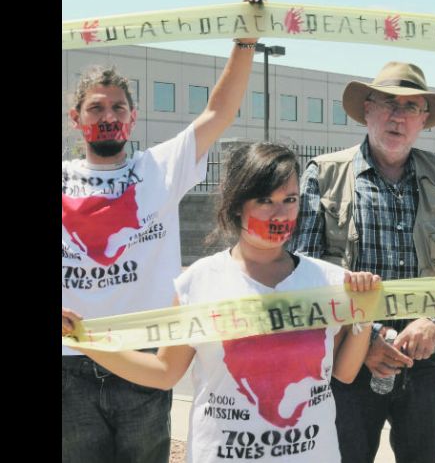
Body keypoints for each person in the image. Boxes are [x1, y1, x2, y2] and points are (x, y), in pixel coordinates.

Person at [62, 143, 381, 463]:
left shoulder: (327, 281)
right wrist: (86, 342)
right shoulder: (200, 281)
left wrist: (362, 316)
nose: (280, 213)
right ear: (237, 205)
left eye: (290, 200)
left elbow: (344, 373)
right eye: (265, 200)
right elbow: (164, 372)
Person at [61, 0, 266, 463]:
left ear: (132, 118)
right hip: (70, 360)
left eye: (117, 108)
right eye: (96, 108)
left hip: (146, 356)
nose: (108, 116)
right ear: (77, 120)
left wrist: (245, 40)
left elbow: (219, 113)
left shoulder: (160, 168)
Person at [287, 61, 435, 463]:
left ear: (423, 120)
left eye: (411, 107)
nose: (398, 116)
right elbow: (302, 271)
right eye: (389, 103)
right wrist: (367, 337)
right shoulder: (322, 175)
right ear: (367, 109)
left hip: (422, 359)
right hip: (347, 360)